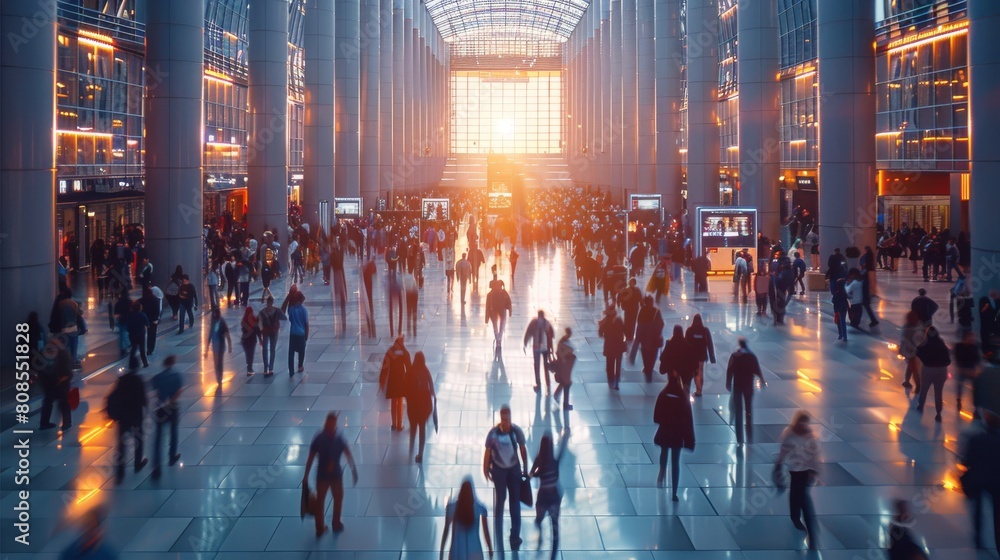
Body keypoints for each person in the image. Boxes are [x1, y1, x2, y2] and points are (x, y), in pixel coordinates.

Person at [483, 404, 529, 554]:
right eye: (503, 419)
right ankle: (505, 534)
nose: (504, 422)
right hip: (501, 471)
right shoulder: (495, 433)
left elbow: (523, 449)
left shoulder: (514, 432)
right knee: (501, 502)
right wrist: (485, 468)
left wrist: (525, 468)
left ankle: (513, 536)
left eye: (506, 419)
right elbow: (487, 452)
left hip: (511, 471)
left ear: (510, 418)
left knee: (513, 503)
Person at [303, 412, 359, 536]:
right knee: (338, 498)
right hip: (335, 476)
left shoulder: (318, 438)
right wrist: (353, 470)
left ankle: (320, 528)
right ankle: (336, 523)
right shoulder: (339, 439)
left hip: (322, 476)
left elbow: (310, 458)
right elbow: (348, 453)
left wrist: (306, 476)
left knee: (320, 501)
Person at [775, 410, 822, 550]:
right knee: (798, 495)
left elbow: (815, 456)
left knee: (803, 499)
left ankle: (808, 528)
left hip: (805, 473)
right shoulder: (790, 434)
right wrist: (778, 466)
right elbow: (783, 451)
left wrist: (815, 471)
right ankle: (797, 518)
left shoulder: (809, 437)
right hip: (795, 471)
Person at [959, 408, 1000, 556]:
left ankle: (977, 537)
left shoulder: (976, 439)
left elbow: (966, 460)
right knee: (997, 514)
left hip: (979, 479)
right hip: (997, 482)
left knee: (978, 509)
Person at [653, 369, 695, 501]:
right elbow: (688, 421)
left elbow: (656, 417)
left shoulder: (663, 394)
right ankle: (674, 492)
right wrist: (690, 440)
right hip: (677, 434)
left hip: (665, 431)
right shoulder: (683, 398)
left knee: (664, 453)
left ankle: (661, 474)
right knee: (675, 462)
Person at [108, 357, 148, 484]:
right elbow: (143, 398)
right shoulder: (139, 380)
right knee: (138, 441)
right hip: (136, 416)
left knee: (121, 445)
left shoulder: (122, 380)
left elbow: (113, 396)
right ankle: (137, 463)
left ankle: (120, 473)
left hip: (123, 417)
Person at [529, 432, 567, 559]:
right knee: (555, 527)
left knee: (539, 519)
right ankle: (553, 556)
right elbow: (562, 450)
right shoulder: (554, 461)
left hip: (543, 497)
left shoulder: (539, 460)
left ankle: (540, 535)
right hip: (555, 498)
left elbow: (531, 474)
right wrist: (564, 438)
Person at [726, 337, 766, 446]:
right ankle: (749, 435)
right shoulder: (751, 356)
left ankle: (739, 439)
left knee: (738, 411)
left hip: (737, 386)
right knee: (748, 411)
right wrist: (762, 381)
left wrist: (728, 383)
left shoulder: (734, 356)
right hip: (748, 386)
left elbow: (729, 371)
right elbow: (757, 370)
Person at [440, 477, 493, 560]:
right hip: (475, 550)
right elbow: (486, 532)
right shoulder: (479, 508)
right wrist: (490, 549)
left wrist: (442, 551)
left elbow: (446, 530)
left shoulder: (452, 508)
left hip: (457, 550)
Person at [150, 355, 183, 480]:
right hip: (172, 408)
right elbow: (179, 391)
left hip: (160, 409)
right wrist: (172, 401)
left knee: (158, 437)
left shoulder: (157, 378)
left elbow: (154, 391)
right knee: (173, 431)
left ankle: (156, 465)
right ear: (173, 363)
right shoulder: (177, 376)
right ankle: (172, 456)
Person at [406, 351, 436, 463]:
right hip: (423, 407)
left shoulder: (410, 371)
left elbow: (406, 387)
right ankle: (420, 453)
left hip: (413, 406)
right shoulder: (425, 370)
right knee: (422, 429)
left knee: (413, 427)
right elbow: (431, 387)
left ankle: (411, 447)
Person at [916, 326, 951, 422]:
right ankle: (938, 413)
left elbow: (917, 352)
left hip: (928, 369)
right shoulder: (942, 345)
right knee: (938, 392)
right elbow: (948, 361)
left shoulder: (925, 344)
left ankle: (920, 406)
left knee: (924, 388)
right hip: (941, 371)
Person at [379, 335, 411, 431]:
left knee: (393, 402)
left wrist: (382, 381)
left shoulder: (390, 351)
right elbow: (408, 364)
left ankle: (394, 424)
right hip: (401, 380)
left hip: (393, 380)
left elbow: (385, 367)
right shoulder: (403, 352)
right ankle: (399, 425)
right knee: (400, 402)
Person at [39, 346, 73, 431]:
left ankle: (44, 423)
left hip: (48, 380)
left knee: (48, 401)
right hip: (59, 381)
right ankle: (66, 423)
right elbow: (67, 370)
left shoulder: (43, 352)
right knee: (64, 401)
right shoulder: (63, 353)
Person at [633, 295, 665, 380]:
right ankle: (650, 367)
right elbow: (662, 323)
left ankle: (647, 367)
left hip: (644, 337)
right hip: (655, 337)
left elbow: (639, 322)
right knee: (653, 353)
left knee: (645, 352)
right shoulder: (656, 311)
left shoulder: (642, 310)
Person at [523, 310, 555, 393]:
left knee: (544, 365)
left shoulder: (546, 324)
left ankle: (546, 383)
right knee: (538, 365)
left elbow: (551, 336)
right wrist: (525, 342)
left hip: (543, 348)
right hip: (538, 347)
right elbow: (528, 333)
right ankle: (540, 383)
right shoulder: (535, 323)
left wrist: (551, 349)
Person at [685, 314, 716, 397]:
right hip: (702, 356)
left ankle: (697, 389)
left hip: (692, 356)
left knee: (695, 372)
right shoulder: (705, 330)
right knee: (700, 372)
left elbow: (686, 344)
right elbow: (710, 344)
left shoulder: (689, 330)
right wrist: (712, 357)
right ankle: (699, 390)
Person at [598, 305, 627, 390]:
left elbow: (600, 334)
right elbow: (625, 330)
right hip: (618, 346)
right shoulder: (619, 320)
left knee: (610, 365)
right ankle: (616, 383)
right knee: (618, 365)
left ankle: (611, 381)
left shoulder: (605, 322)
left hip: (609, 346)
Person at [257, 296, 286, 377]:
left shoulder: (263, 312)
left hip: (267, 331)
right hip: (273, 331)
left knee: (266, 349)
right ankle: (269, 368)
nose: (269, 304)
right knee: (271, 349)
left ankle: (267, 368)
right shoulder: (276, 311)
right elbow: (284, 317)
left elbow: (258, 323)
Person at [203, 308, 232, 388]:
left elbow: (227, 334)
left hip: (220, 346)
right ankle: (218, 378)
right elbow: (210, 335)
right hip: (215, 346)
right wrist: (206, 349)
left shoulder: (222, 322)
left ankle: (220, 379)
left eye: (215, 314)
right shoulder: (213, 322)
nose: (214, 315)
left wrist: (230, 345)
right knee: (216, 363)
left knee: (219, 363)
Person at [899, 311, 925, 393]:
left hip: (909, 351)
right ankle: (918, 386)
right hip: (915, 351)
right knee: (914, 369)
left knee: (911, 367)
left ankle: (907, 382)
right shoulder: (918, 327)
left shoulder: (906, 327)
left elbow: (904, 340)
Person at [485, 280, 512, 357]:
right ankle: (500, 337)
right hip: (502, 310)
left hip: (493, 310)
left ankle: (497, 338)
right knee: (502, 324)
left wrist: (487, 318)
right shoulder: (504, 292)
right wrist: (510, 311)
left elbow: (487, 307)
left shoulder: (490, 294)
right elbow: (509, 302)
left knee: (495, 325)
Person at [955, 331, 981, 410]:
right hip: (962, 369)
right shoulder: (959, 346)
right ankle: (959, 402)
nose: (971, 339)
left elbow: (977, 359)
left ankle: (975, 408)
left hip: (971, 369)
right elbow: (957, 358)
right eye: (969, 338)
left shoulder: (974, 347)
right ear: (964, 338)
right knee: (959, 386)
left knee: (976, 389)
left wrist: (976, 368)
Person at [552, 328, 576, 410]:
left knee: (564, 383)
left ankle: (557, 395)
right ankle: (565, 404)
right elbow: (564, 351)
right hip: (565, 367)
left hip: (565, 367)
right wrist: (564, 358)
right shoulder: (563, 342)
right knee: (566, 383)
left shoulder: (563, 341)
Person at [287, 291, 309, 376]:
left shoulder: (292, 309)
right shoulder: (304, 310)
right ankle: (300, 366)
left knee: (291, 352)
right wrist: (306, 336)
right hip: (301, 333)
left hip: (293, 333)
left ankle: (291, 370)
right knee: (301, 350)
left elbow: (290, 317)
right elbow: (306, 324)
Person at [139, 286, 162, 356]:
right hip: (153, 319)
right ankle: (150, 349)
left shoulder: (141, 300)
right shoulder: (156, 300)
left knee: (141, 335)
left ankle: (142, 349)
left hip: (144, 319)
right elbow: (157, 311)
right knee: (152, 335)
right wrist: (156, 319)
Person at [126, 301, 150, 368]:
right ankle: (145, 363)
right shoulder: (142, 315)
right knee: (142, 349)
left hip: (132, 334)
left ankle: (130, 363)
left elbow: (127, 326)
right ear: (139, 308)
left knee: (133, 348)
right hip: (141, 334)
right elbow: (147, 325)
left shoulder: (130, 315)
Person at [239, 305, 262, 376]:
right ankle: (249, 368)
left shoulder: (243, 321)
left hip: (245, 340)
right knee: (251, 354)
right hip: (252, 340)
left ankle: (249, 368)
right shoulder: (254, 321)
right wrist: (260, 340)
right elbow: (257, 331)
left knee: (248, 354)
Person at [619, 277, 643, 343]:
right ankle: (629, 335)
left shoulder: (632, 290)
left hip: (632, 309)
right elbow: (622, 299)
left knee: (630, 322)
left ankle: (629, 336)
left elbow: (640, 299)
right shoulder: (632, 290)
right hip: (631, 309)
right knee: (629, 322)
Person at [113, 291, 132, 358]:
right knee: (129, 334)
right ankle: (129, 345)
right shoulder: (130, 302)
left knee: (122, 335)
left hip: (122, 320)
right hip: (130, 320)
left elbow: (116, 314)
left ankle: (122, 349)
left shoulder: (118, 303)